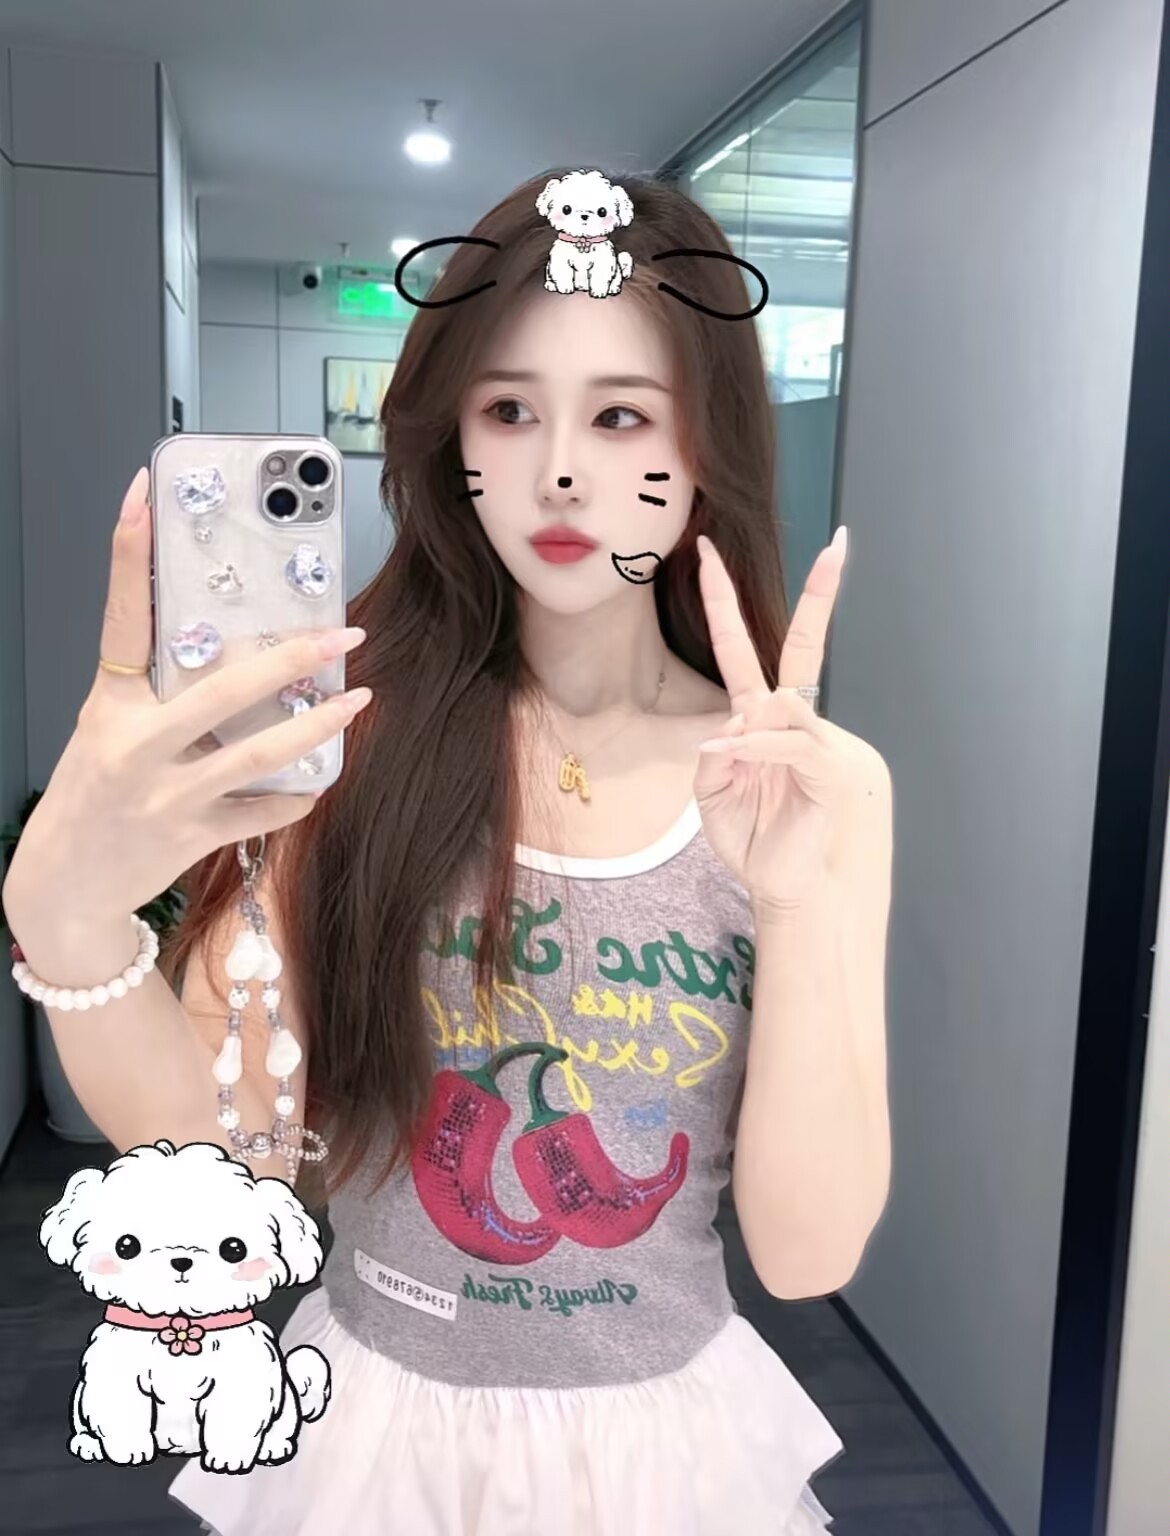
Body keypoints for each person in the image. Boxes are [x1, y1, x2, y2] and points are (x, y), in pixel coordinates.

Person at [4, 168, 894, 1535]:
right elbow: (232, 1162)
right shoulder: (348, 739)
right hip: (379, 1436)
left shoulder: (801, 791)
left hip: (667, 1456)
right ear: (451, 441)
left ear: (705, 448)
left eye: (620, 416)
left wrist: (794, 903)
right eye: (509, 410)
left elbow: (806, 1251)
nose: (558, 470)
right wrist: (70, 922)